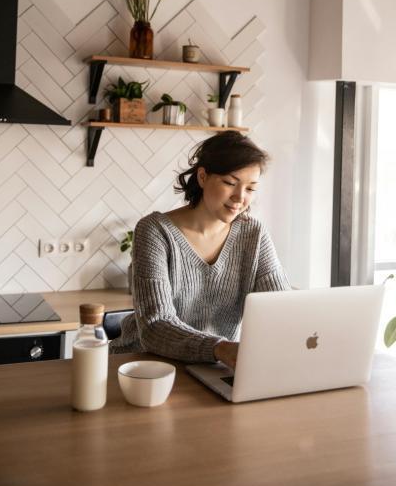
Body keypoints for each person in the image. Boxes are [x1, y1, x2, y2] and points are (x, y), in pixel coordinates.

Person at [110, 130, 290, 368]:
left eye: (250, 189)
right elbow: (156, 325)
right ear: (203, 177)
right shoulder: (155, 230)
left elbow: (281, 308)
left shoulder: (253, 234)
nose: (240, 198)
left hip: (212, 366)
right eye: (230, 183)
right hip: (141, 365)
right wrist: (219, 348)